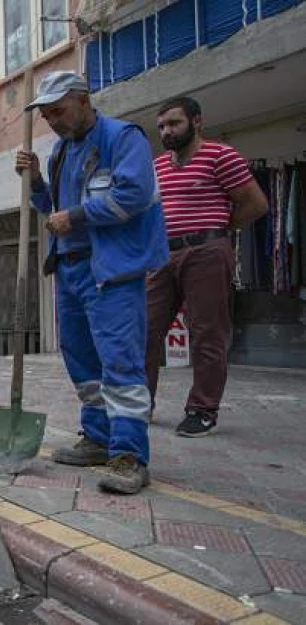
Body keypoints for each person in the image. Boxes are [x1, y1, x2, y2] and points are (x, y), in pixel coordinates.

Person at [15, 71, 168, 494]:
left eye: (58, 112)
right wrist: (36, 184)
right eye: (46, 116)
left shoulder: (123, 138)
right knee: (81, 359)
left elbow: (133, 195)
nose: (53, 122)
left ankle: (129, 454)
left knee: (120, 360)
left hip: (112, 270)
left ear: (83, 100)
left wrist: (77, 216)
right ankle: (98, 437)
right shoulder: (60, 152)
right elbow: (53, 208)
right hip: (69, 268)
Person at [146, 97, 268, 437]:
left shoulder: (220, 155)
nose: (167, 131)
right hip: (163, 256)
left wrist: (217, 230)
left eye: (174, 123)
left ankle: (202, 409)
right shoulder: (158, 166)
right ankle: (140, 403)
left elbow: (256, 204)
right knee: (144, 329)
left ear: (196, 122)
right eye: (162, 126)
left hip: (206, 252)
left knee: (207, 332)